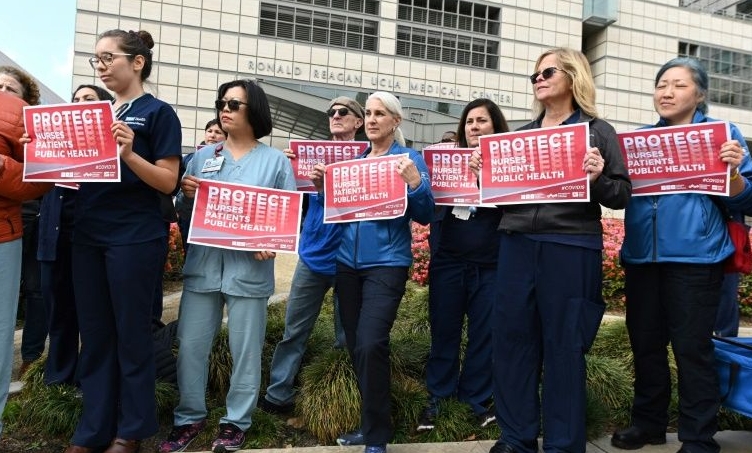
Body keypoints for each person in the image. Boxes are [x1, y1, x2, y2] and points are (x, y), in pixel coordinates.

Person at [469, 47, 632, 453]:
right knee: (511, 343)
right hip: (516, 245)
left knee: (564, 346)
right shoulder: (520, 136)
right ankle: (516, 437)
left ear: (573, 76)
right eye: (534, 75)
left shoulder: (599, 132)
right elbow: (504, 201)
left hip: (571, 246)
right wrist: (483, 179)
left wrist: (596, 178)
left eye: (547, 72)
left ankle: (562, 444)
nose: (538, 79)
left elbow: (622, 195)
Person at [612, 57, 752, 453]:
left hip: (697, 258)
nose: (667, 92)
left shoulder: (724, 136)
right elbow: (619, 193)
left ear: (700, 94)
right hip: (642, 258)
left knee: (693, 350)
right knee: (646, 345)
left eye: (678, 85)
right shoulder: (636, 142)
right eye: (661, 85)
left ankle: (698, 436)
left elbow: (749, 195)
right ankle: (649, 424)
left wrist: (735, 174)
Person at [159, 79, 296, 453]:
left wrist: (270, 242)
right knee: (190, 346)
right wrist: (185, 197)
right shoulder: (202, 157)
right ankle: (189, 417)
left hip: (249, 272)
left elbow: (286, 218)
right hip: (204, 268)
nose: (226, 109)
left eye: (235, 104)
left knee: (245, 349)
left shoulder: (275, 161)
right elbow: (185, 216)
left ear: (255, 111)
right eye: (223, 102)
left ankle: (236, 422)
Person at [62, 29, 182, 453]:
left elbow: (168, 182)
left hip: (134, 236)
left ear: (137, 62)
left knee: (131, 333)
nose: (101, 66)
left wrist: (131, 155)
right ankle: (92, 429)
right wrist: (41, 153)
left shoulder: (158, 113)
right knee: (94, 335)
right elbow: (71, 174)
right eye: (96, 59)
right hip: (89, 234)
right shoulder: (92, 114)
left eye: (108, 57)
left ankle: (130, 430)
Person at [311, 91, 435, 453]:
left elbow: (426, 214)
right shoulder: (354, 161)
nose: (372, 119)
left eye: (381, 113)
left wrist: (415, 184)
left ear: (396, 121)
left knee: (370, 342)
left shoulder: (409, 159)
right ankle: (372, 424)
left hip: (387, 264)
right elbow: (333, 212)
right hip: (346, 266)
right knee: (356, 346)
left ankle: (377, 435)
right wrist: (322, 188)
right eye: (368, 113)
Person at [260, 96, 362, 415]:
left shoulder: (369, 157)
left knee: (348, 334)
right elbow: (290, 201)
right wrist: (290, 169)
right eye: (331, 112)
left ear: (358, 122)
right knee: (295, 329)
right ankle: (278, 394)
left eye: (343, 112)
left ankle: (342, 391)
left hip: (351, 257)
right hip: (314, 255)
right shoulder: (309, 156)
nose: (335, 116)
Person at [416, 99, 507, 433]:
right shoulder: (446, 159)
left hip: (491, 265)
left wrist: (485, 175)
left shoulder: (507, 161)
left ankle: (476, 401)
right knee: (444, 332)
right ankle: (437, 399)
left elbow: (514, 204)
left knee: (485, 335)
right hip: (449, 263)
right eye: (469, 121)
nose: (474, 126)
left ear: (495, 126)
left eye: (482, 121)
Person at [37, 84, 114, 386]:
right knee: (58, 314)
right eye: (77, 99)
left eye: (89, 100)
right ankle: (58, 379)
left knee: (93, 314)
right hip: (54, 241)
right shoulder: (53, 144)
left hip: (93, 241)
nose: (80, 103)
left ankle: (90, 380)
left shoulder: (114, 147)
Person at [0, 92, 52, 437]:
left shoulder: (19, 116)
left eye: (10, 85)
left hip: (4, 234)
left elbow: (42, 178)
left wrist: (2, 167)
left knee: (3, 330)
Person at [179, 119, 227, 253]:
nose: (212, 135)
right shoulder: (190, 158)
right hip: (191, 216)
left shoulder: (229, 160)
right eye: (209, 131)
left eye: (218, 132)